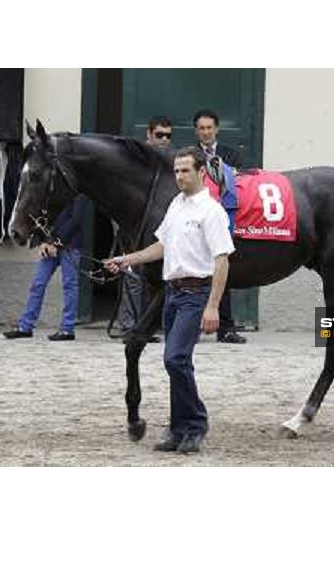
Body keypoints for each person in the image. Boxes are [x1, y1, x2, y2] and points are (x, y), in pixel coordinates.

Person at [104, 147, 235, 454]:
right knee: (178, 363)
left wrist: (213, 306)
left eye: (185, 170)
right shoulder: (176, 204)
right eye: (176, 171)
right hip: (172, 294)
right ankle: (179, 429)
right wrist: (125, 260)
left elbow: (222, 260)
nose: (178, 176)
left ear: (201, 172)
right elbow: (160, 245)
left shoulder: (211, 211)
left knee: (174, 359)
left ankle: (196, 424)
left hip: (195, 294)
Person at [193, 108, 246, 344]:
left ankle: (226, 328)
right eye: (201, 128)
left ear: (216, 129)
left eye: (209, 128)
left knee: (222, 271)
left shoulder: (231, 155)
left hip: (224, 220)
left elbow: (242, 181)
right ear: (196, 131)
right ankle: (191, 327)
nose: (205, 132)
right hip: (196, 221)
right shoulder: (188, 155)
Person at [118, 117, 174, 339]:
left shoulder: (170, 161)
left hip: (159, 226)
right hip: (133, 226)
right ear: (149, 134)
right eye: (159, 135)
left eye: (168, 136)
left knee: (156, 277)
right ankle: (129, 325)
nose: (164, 140)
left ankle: (150, 325)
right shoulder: (135, 160)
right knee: (133, 276)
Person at [3, 195, 87, 341]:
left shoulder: (79, 192)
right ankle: (25, 327)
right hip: (49, 244)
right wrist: (42, 241)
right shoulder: (51, 189)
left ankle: (67, 330)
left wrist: (56, 242)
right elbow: (41, 218)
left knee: (69, 286)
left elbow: (76, 219)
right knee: (38, 283)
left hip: (70, 246)